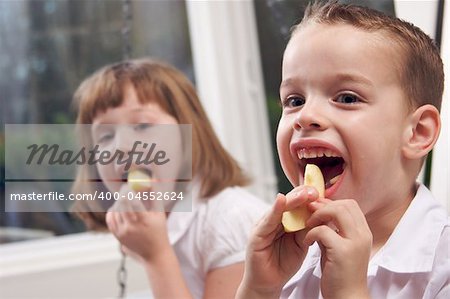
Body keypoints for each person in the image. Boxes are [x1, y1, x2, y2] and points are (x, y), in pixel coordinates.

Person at [236, 1, 449, 299]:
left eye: (347, 98)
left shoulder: (442, 266)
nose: (305, 116)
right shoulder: (292, 256)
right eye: (294, 100)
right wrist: (259, 289)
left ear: (417, 132)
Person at [70, 58, 268, 299]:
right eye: (105, 136)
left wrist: (156, 256)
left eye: (142, 126)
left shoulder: (231, 222)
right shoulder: (162, 218)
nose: (121, 146)